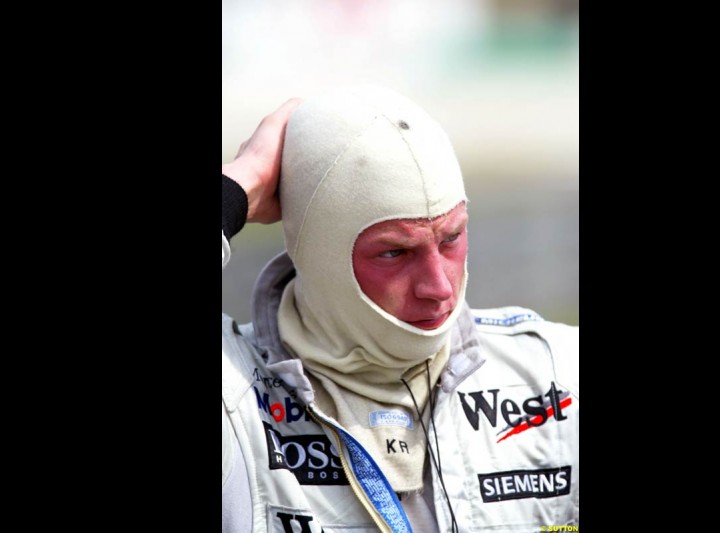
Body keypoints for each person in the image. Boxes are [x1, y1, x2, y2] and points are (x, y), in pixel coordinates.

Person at [222, 86, 579, 533]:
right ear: (318, 257)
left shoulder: (559, 376)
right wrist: (237, 186)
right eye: (393, 253)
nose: (439, 287)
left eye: (451, 239)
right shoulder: (235, 402)